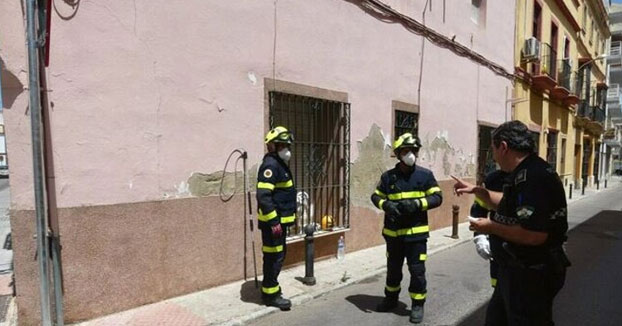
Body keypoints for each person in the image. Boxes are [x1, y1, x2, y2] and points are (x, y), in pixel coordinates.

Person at [453, 120, 570, 325]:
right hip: (514, 269)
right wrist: (479, 192)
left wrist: (490, 227)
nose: (494, 157)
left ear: (504, 147)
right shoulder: (523, 172)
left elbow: (534, 235)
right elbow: (509, 205)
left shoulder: (533, 177)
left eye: (494, 150)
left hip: (532, 273)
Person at [370, 133, 443, 324]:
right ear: (398, 153)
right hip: (393, 235)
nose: (411, 154)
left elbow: (437, 198)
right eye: (406, 151)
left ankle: (417, 304)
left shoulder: (425, 175)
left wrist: (418, 204)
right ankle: (391, 299)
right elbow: (376, 196)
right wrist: (386, 205)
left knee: (417, 270)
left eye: (414, 151)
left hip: (416, 235)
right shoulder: (388, 177)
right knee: (393, 269)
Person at [256, 126, 297, 310]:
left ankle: (271, 288)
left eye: (287, 145)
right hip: (273, 224)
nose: (286, 149)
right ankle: (271, 295)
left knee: (277, 256)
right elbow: (263, 196)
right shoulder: (271, 165)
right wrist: (274, 222)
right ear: (272, 146)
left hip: (279, 223)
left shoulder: (279, 164)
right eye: (283, 145)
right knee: (274, 257)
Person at [470, 169, 508, 289]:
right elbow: (479, 209)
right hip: (497, 247)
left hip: (526, 252)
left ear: (504, 150)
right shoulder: (493, 179)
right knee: (498, 288)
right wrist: (479, 236)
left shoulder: (536, 177)